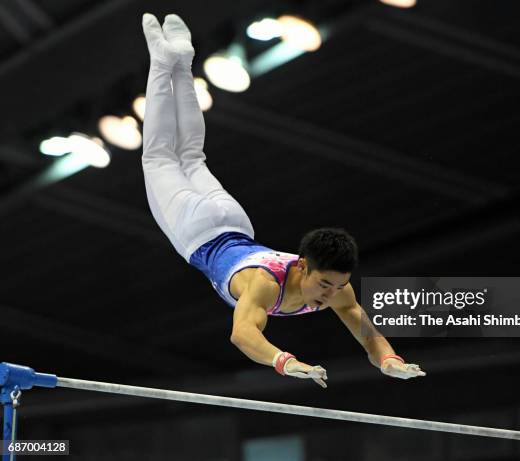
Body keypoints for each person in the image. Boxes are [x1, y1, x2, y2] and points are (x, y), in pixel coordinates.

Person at [141, 13, 426, 387]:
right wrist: (286, 363)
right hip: (200, 232)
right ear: (303, 266)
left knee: (191, 155)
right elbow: (242, 334)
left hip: (232, 222)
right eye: (325, 284)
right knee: (163, 155)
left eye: (339, 286)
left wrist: (387, 358)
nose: (332, 294)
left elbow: (364, 329)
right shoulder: (264, 284)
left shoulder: (336, 287)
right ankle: (166, 62)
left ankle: (180, 61)